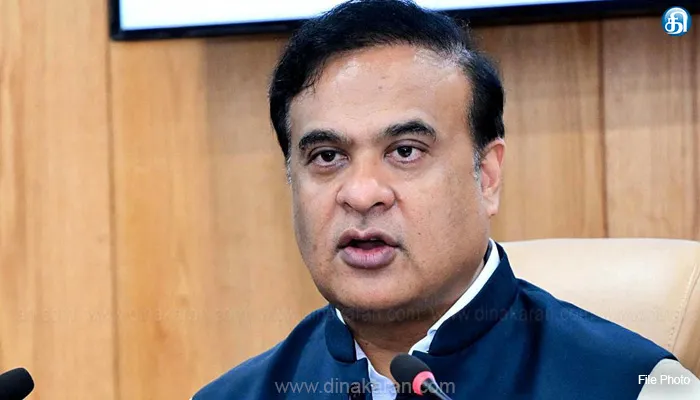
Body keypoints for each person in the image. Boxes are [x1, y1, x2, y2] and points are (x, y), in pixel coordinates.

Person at [192, 1, 700, 398]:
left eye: (405, 151)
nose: (362, 193)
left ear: (488, 176)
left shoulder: (637, 388)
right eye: (327, 156)